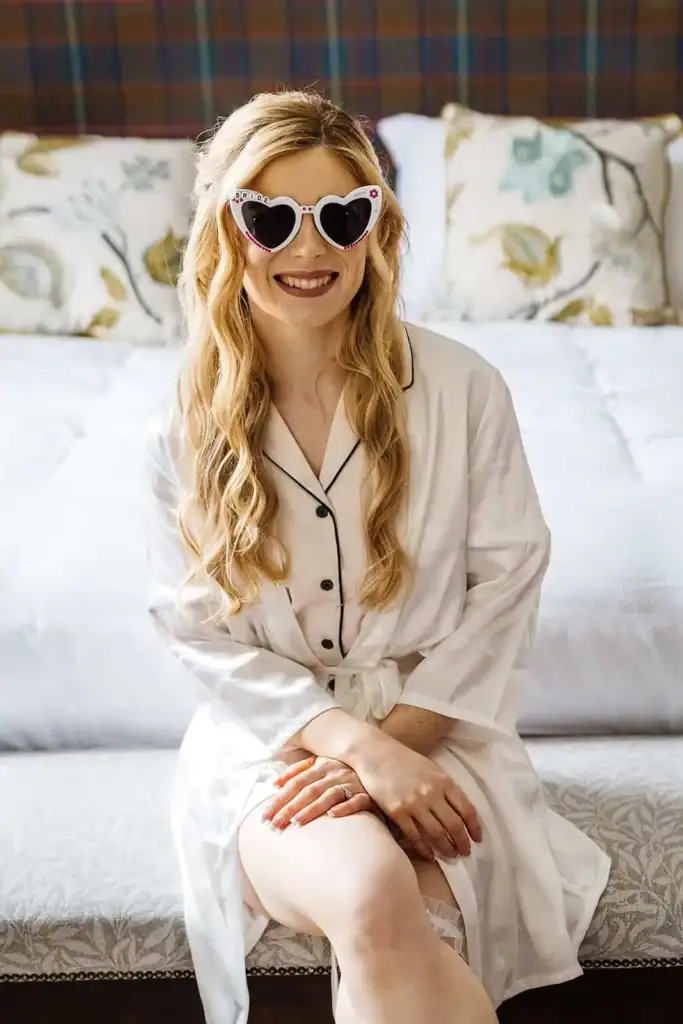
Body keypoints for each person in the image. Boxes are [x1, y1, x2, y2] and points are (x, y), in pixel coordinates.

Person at [143, 90, 610, 1024]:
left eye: (340, 217)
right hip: (275, 748)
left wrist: (396, 747)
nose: (308, 250)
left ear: (376, 229)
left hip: (441, 733)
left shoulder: (462, 387)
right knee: (368, 891)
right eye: (270, 218)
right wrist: (352, 746)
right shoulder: (182, 423)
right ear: (224, 232)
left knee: (422, 925)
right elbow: (195, 632)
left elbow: (507, 580)